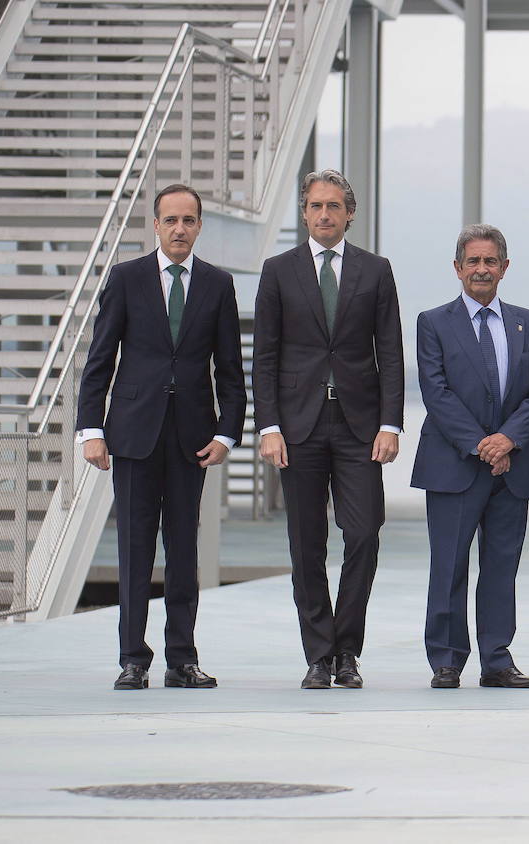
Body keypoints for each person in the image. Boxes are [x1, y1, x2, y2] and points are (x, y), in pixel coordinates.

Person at [76, 183, 246, 690]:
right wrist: (91, 429)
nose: (179, 229)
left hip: (192, 440)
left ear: (198, 226)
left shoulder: (218, 284)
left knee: (183, 553)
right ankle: (132, 658)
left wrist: (227, 434)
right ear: (155, 224)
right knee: (133, 549)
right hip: (131, 436)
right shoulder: (126, 279)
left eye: (188, 221)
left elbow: (231, 371)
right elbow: (100, 359)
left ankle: (181, 658)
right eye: (170, 220)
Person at [252, 169, 404, 690]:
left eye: (334, 206)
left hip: (360, 426)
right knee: (305, 544)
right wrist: (267, 425)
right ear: (304, 212)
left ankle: (348, 650)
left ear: (350, 213)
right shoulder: (277, 271)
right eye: (316, 206)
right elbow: (265, 355)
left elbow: (391, 352)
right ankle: (319, 655)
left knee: (363, 534)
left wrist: (390, 423)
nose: (324, 215)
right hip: (297, 426)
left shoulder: (376, 270)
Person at [412, 224, 529, 690]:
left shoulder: (528, 322)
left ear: (504, 268)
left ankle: (496, 659)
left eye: (490, 261)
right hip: (454, 465)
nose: (481, 269)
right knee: (449, 564)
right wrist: (481, 444)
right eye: (472, 261)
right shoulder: (433, 322)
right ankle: (447, 660)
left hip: (514, 467)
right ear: (457, 268)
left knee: (501, 566)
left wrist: (508, 440)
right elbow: (437, 391)